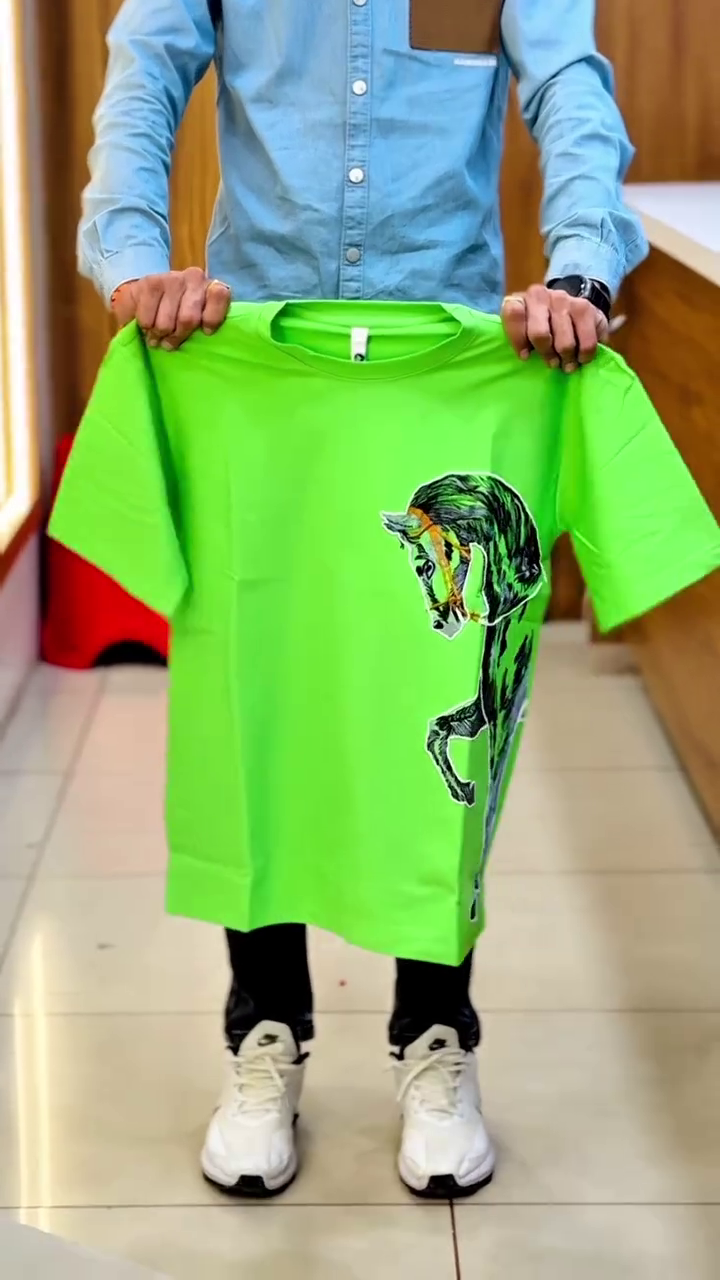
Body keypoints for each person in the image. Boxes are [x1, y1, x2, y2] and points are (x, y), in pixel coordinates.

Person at [79, 0, 647, 1200]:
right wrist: (131, 257)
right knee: (258, 694)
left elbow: (570, 88)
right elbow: (146, 67)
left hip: (447, 365)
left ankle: (437, 1034)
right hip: (259, 365)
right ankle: (262, 1028)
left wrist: (581, 267)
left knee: (439, 701)